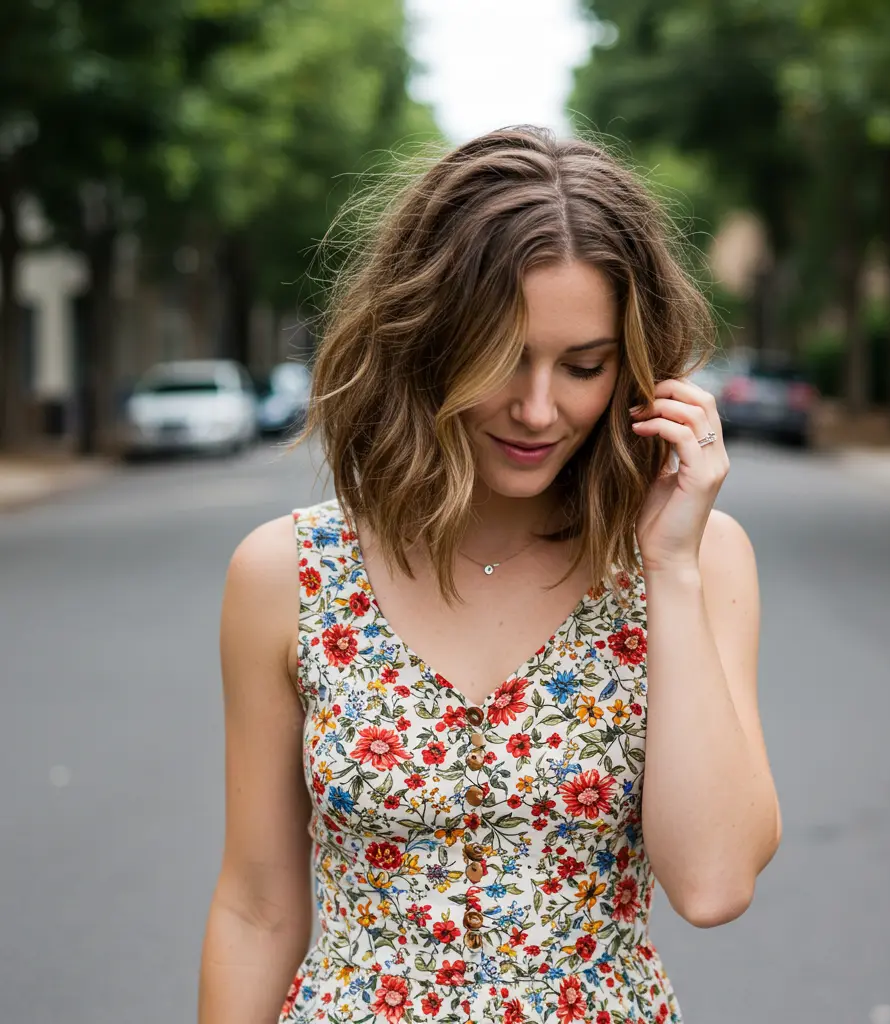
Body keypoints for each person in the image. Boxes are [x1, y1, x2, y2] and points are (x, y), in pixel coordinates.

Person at [198, 126, 781, 1024]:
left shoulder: (698, 559)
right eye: (503, 357)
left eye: (583, 366)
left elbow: (712, 882)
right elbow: (257, 905)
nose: (540, 408)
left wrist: (668, 565)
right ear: (426, 340)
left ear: (634, 367)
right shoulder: (291, 575)